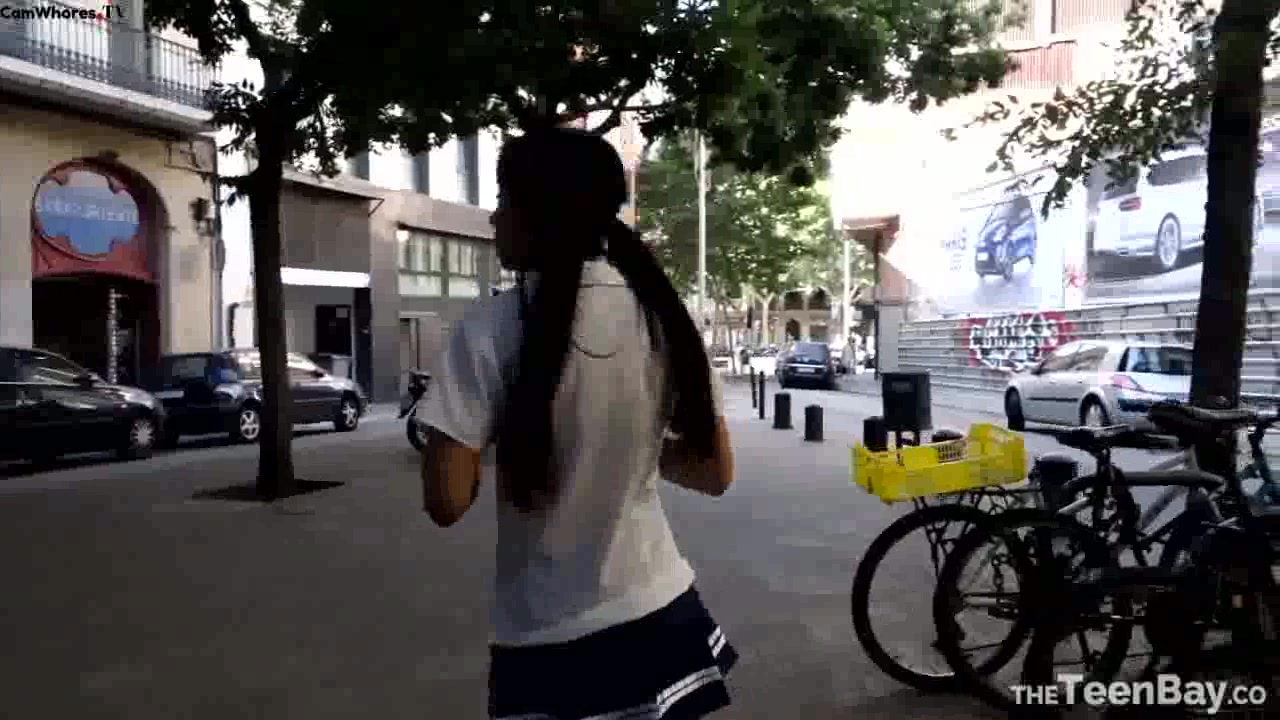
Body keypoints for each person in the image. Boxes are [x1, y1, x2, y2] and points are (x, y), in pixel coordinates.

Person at [418, 127, 738, 720]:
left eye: (504, 201)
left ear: (537, 215)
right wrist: (629, 448)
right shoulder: (665, 318)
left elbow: (446, 500)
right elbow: (715, 473)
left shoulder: (490, 328)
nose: (493, 218)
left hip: (548, 640)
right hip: (663, 615)